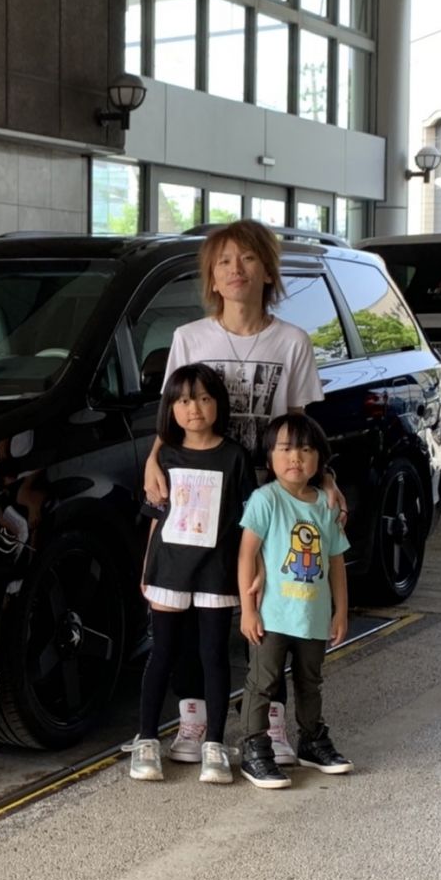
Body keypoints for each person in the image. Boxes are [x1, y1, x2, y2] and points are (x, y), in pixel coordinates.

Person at [142, 219, 344, 767]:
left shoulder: (291, 341)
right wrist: (152, 463)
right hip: (200, 502)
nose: (236, 269)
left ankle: (270, 724)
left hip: (269, 500)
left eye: (248, 259)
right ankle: (194, 723)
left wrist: (323, 478)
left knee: (271, 612)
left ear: (267, 270)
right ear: (211, 273)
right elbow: (172, 420)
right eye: (225, 260)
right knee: (193, 614)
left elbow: (297, 426)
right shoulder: (189, 338)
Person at [124, 364, 256, 783]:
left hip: (217, 573)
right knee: (162, 653)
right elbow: (155, 516)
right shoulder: (163, 456)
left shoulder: (235, 457)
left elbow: (249, 522)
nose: (193, 408)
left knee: (214, 655)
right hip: (168, 571)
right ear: (171, 408)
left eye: (203, 398)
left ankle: (214, 743)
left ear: (218, 403)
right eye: (182, 400)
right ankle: (147, 739)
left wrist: (251, 574)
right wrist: (147, 566)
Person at [236, 413, 354, 789]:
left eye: (306, 449)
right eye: (285, 449)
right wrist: (248, 610)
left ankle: (312, 741)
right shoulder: (264, 500)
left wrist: (340, 612)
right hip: (271, 615)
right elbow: (245, 556)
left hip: (312, 617)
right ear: (269, 457)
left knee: (310, 681)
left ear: (320, 459)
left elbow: (336, 562)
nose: (296, 458)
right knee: (262, 682)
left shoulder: (325, 505)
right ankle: (254, 749)